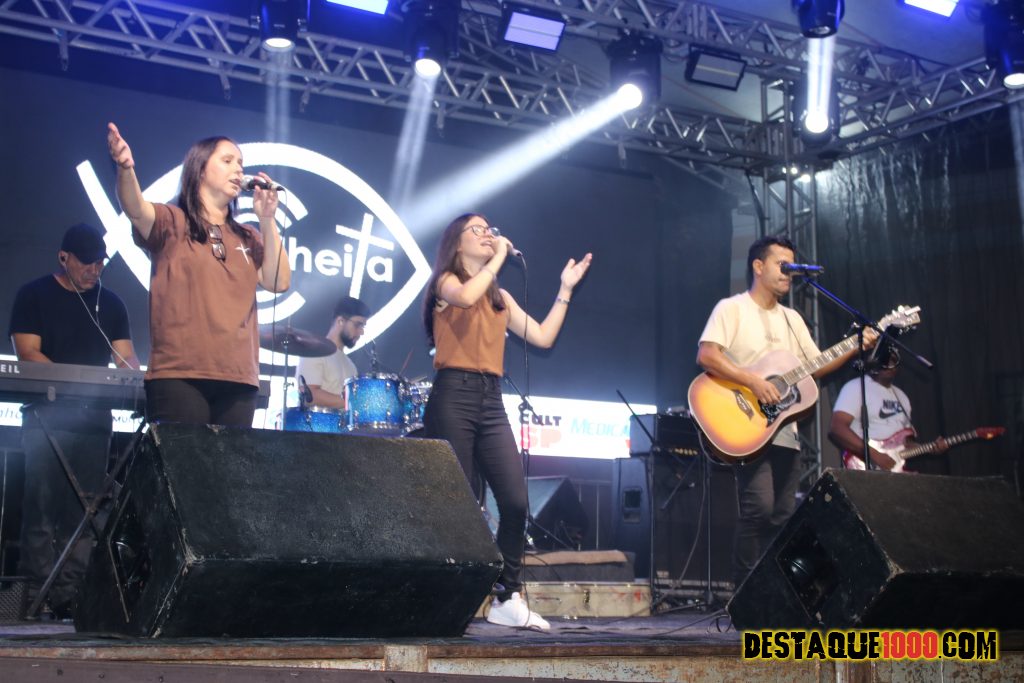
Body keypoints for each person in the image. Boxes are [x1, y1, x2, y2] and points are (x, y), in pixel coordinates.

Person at [421, 214, 592, 631]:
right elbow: (465, 297)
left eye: (490, 230)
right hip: (453, 394)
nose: (488, 235)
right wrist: (498, 256)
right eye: (477, 230)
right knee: (458, 501)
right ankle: (448, 596)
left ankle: (507, 596)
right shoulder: (445, 282)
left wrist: (565, 290)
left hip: (490, 398)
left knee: (515, 501)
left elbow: (543, 337)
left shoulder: (500, 298)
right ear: (457, 243)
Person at [696, 235, 875, 589]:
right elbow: (707, 355)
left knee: (781, 515)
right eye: (782, 264)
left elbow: (816, 365)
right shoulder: (732, 308)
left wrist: (855, 347)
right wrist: (752, 381)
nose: (789, 272)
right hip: (744, 424)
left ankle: (769, 591)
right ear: (758, 266)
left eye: (792, 267)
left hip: (783, 430)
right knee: (758, 508)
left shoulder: (792, 319)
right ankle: (742, 592)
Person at [107, 122, 290, 426]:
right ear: (201, 169)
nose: (238, 169)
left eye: (240, 163)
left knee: (230, 458)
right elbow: (136, 209)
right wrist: (125, 168)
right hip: (180, 374)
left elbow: (278, 281)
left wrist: (267, 220)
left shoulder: (248, 236)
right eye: (227, 160)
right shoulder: (172, 220)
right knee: (183, 457)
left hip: (238, 378)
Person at [8, 223, 139, 619]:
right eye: (86, 263)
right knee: (41, 510)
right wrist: (72, 386)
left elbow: (126, 357)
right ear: (64, 258)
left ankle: (69, 596)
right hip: (48, 417)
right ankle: (34, 596)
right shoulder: (33, 295)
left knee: (85, 512)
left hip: (94, 421)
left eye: (99, 263)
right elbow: (28, 353)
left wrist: (133, 379)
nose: (94, 270)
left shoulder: (110, 304)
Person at [828, 346, 948, 471]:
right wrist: (873, 455)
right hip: (864, 466)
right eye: (885, 360)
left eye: (893, 361)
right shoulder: (856, 387)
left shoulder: (902, 397)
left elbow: (906, 444)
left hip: (895, 471)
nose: (889, 364)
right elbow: (837, 429)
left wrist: (930, 449)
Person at [295, 296, 371, 410]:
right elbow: (309, 395)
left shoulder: (351, 366)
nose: (361, 332)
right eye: (358, 325)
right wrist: (353, 402)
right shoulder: (314, 351)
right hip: (315, 421)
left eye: (363, 326)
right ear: (341, 321)